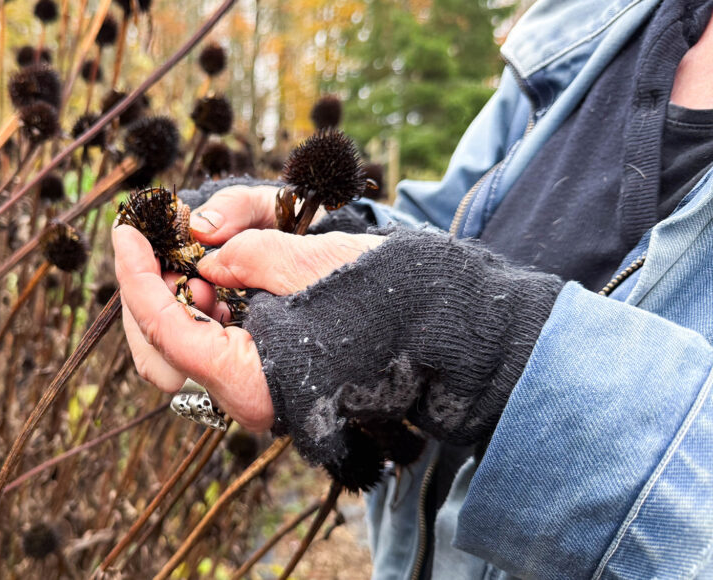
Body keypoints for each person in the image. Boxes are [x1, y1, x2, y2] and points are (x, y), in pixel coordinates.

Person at [112, 0, 713, 577]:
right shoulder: (591, 21)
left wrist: (477, 344)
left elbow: (445, 292)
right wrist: (320, 233)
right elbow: (454, 231)